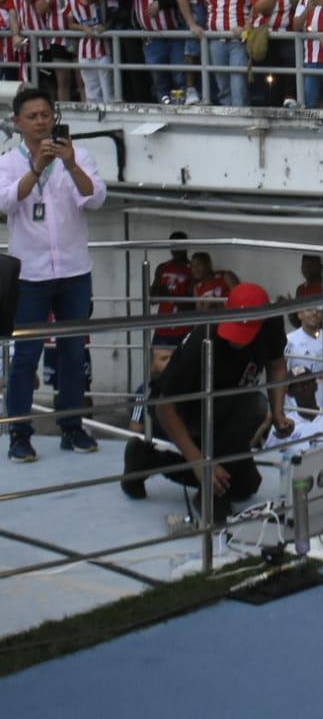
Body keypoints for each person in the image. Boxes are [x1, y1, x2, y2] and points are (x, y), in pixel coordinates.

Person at [0, 88, 107, 463]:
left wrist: (72, 164)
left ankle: (72, 427)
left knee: (73, 353)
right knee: (25, 355)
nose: (42, 121)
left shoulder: (77, 156)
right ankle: (19, 432)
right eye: (33, 116)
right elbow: (5, 201)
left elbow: (95, 198)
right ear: (18, 122)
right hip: (30, 275)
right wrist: (37, 170)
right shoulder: (9, 163)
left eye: (46, 114)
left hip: (75, 272)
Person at [121, 283, 293, 512]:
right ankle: (209, 495)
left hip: (227, 412)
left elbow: (276, 363)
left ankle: (147, 461)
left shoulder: (271, 323)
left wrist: (279, 410)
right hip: (186, 412)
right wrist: (200, 462)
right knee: (253, 406)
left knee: (245, 485)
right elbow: (164, 405)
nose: (237, 341)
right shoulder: (203, 341)